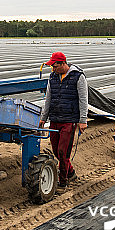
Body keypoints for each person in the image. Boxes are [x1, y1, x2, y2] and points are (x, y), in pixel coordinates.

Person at [38, 51, 88, 188]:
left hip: (69, 120)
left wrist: (83, 120)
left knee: (63, 151)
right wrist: (43, 118)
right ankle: (71, 172)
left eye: (55, 66)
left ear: (63, 64)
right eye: (52, 67)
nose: (53, 69)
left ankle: (63, 181)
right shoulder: (53, 77)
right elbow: (48, 98)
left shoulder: (78, 76)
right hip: (55, 118)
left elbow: (83, 99)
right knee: (56, 150)